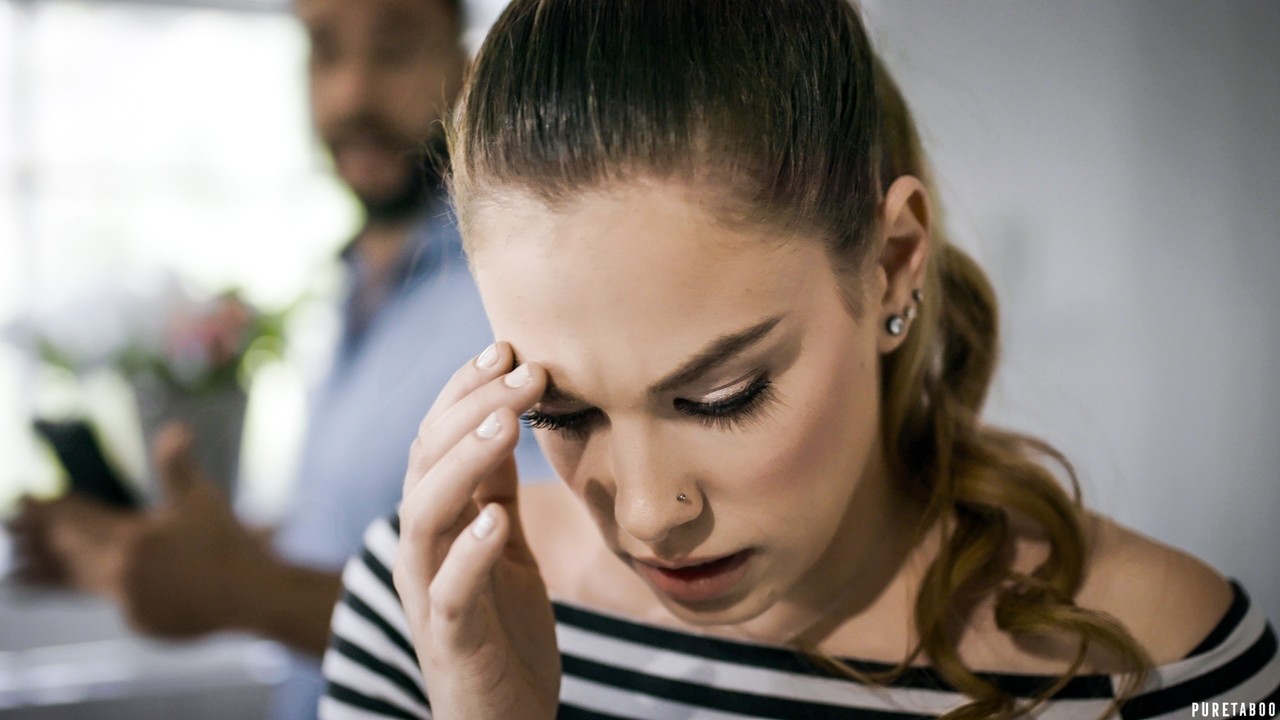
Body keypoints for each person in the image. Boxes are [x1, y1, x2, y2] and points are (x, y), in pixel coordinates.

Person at [317, 1, 1280, 719]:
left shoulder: (1179, 660)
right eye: (559, 414)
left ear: (893, 264)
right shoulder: (435, 612)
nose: (647, 516)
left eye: (723, 395)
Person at [9, 0, 548, 717]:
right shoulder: (352, 285)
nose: (352, 95)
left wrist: (243, 590)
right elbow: (344, 531)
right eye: (325, 51)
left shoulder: (511, 292)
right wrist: (162, 550)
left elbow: (549, 604)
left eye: (393, 50)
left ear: (466, 66)